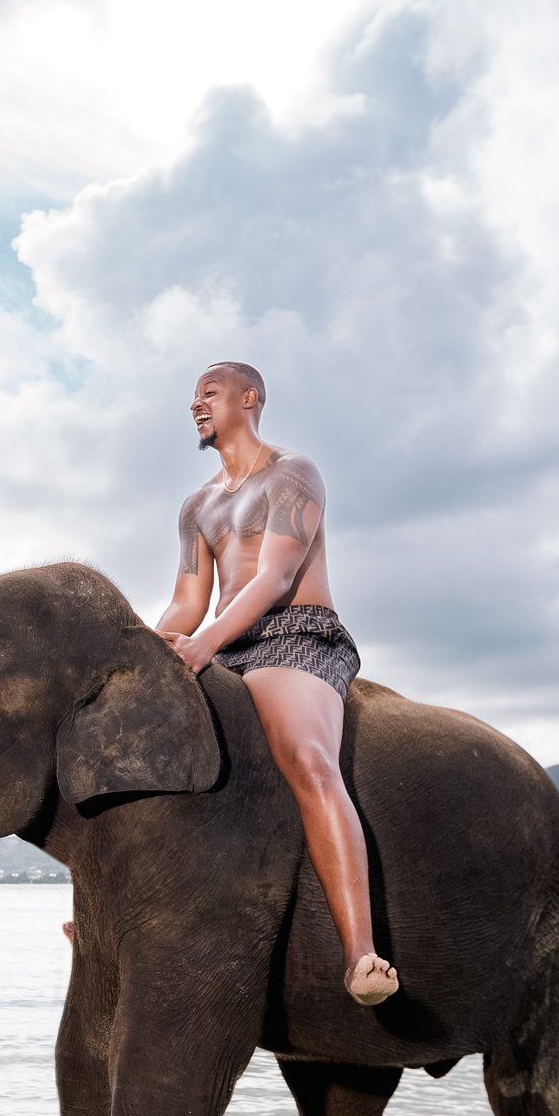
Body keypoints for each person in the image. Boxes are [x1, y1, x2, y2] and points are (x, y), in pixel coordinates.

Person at [152, 362, 398, 1006]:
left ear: (249, 398)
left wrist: (204, 644)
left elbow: (275, 577)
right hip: (228, 647)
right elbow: (186, 603)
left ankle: (363, 955)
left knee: (307, 759)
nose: (196, 406)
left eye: (208, 393)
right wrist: (144, 650)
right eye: (193, 398)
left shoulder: (293, 473)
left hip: (296, 635)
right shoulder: (197, 506)